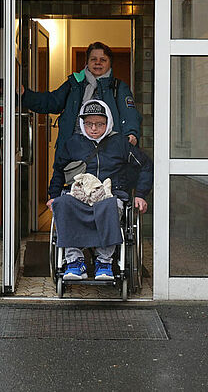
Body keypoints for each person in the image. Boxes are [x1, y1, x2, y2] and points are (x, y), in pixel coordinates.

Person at [47, 99, 152, 281]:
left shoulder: (120, 143)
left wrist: (141, 195)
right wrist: (53, 196)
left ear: (108, 123)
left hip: (111, 195)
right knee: (63, 204)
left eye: (99, 124)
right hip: (79, 194)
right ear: (82, 123)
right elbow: (59, 171)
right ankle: (74, 262)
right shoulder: (73, 143)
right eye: (89, 124)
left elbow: (145, 165)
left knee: (110, 206)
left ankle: (104, 261)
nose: (94, 128)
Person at [22, 41, 142, 156]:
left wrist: (132, 134)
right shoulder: (74, 84)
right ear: (87, 62)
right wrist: (24, 94)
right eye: (93, 59)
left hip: (106, 155)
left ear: (110, 63)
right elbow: (50, 102)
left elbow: (130, 114)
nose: (98, 63)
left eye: (103, 60)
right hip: (73, 153)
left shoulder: (119, 87)